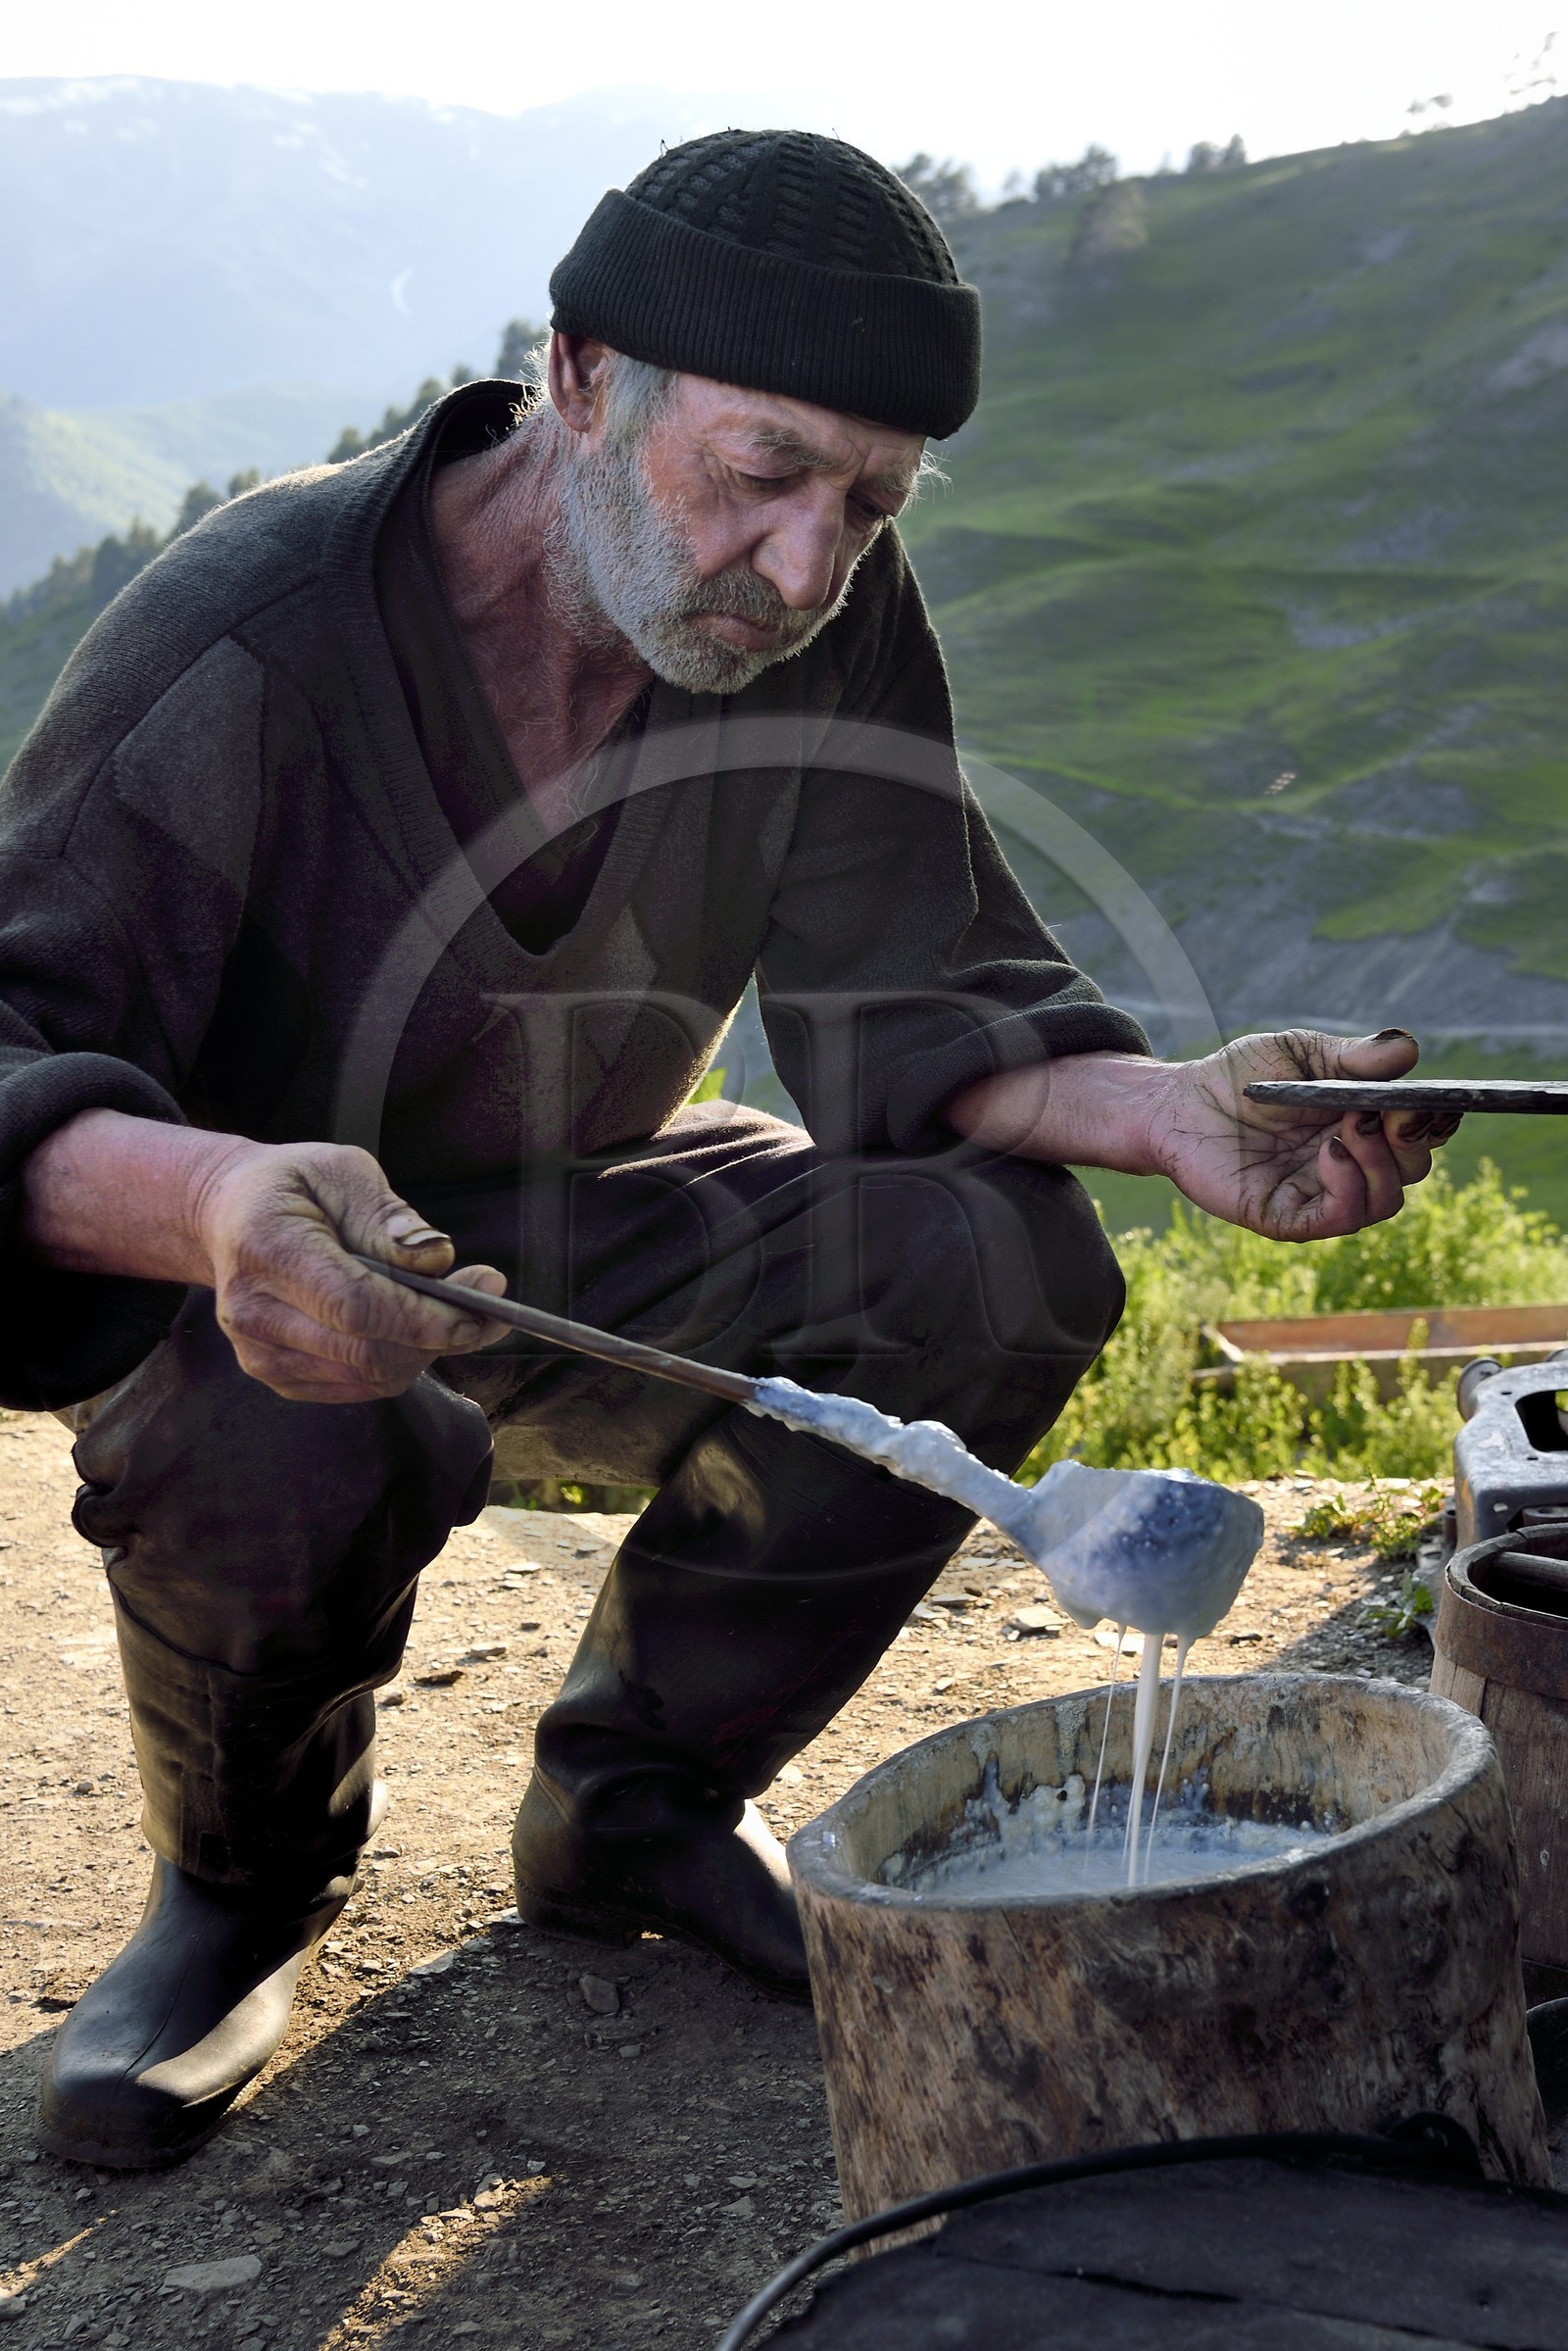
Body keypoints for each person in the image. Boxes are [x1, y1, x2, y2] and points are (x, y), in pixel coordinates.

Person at [0, 129, 1454, 2171]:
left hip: (587, 1229)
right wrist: (224, 1199)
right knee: (285, 1417)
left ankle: (639, 1802)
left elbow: (917, 995)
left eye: (866, 503)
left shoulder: (821, 623)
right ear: (583, 377)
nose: (806, 563)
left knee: (999, 1263)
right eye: (764, 473)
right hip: (252, 1283)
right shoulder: (251, 639)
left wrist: (1177, 1113)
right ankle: (237, 1888)